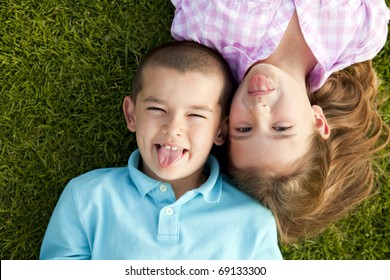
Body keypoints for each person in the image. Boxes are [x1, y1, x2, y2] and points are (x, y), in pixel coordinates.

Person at [171, 0, 390, 243]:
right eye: (281, 128)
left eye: (244, 129)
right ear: (318, 121)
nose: (259, 109)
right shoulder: (363, 34)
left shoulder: (205, 26)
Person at [39, 41, 282, 259]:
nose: (173, 128)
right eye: (157, 109)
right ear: (132, 114)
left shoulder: (254, 223)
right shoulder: (86, 197)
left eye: (195, 115)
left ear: (220, 130)